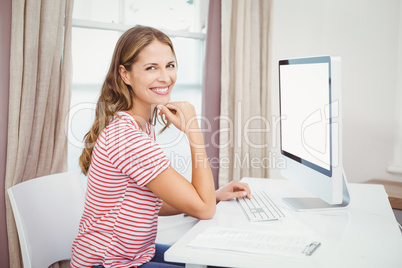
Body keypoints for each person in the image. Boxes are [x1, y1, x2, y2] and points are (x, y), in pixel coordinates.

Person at [70, 25, 251, 268]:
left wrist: (214, 196)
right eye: (151, 67)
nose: (165, 77)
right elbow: (204, 210)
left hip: (132, 256)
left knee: (215, 259)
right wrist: (193, 132)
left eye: (170, 65)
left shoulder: (138, 126)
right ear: (125, 74)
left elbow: (150, 202)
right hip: (107, 263)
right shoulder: (129, 138)